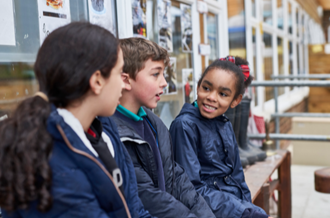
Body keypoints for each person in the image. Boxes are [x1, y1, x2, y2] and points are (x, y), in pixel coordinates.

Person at [0, 22, 150, 218]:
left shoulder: (104, 130)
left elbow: (133, 207)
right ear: (97, 81)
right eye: (119, 73)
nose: (124, 83)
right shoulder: (50, 158)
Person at [99, 37, 215, 218]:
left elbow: (177, 180)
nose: (164, 83)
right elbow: (149, 197)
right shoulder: (113, 133)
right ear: (126, 81)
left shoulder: (153, 123)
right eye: (155, 74)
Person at [169, 57, 272, 218]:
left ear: (235, 101)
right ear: (198, 87)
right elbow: (190, 188)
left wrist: (247, 205)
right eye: (206, 88)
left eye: (223, 94)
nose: (212, 97)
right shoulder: (184, 126)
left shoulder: (225, 124)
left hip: (231, 203)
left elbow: (237, 175)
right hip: (206, 208)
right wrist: (241, 211)